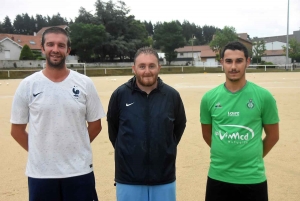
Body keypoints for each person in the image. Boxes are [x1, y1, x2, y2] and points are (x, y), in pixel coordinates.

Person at [10, 27, 105, 201]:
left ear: (68, 50)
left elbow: (96, 125)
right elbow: (16, 130)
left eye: (61, 45)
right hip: (41, 174)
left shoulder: (85, 83)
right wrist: (42, 152)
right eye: (50, 44)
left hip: (79, 171)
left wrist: (75, 146)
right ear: (42, 48)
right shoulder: (28, 85)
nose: (55, 49)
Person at [200, 41, 279, 201]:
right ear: (221, 62)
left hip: (253, 179)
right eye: (228, 61)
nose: (233, 67)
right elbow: (208, 135)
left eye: (239, 61)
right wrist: (227, 151)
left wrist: (253, 155)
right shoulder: (209, 98)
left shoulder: (264, 97)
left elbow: (273, 136)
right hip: (218, 177)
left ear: (248, 62)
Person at [107, 47, 186, 201]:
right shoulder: (120, 95)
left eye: (152, 66)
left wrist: (165, 148)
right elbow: (114, 130)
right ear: (134, 68)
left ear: (159, 67)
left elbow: (179, 126)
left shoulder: (172, 96)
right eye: (142, 66)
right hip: (128, 178)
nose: (147, 71)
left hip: (164, 177)